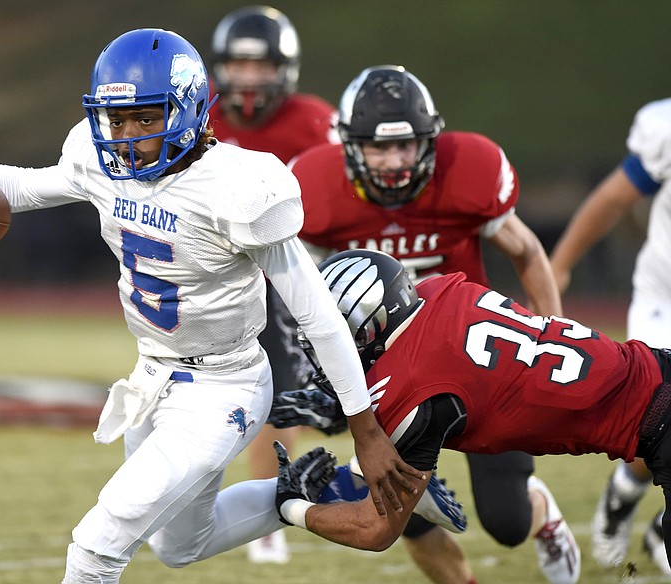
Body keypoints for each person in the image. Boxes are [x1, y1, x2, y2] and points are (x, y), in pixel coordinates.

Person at [0, 29, 419, 583]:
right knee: (179, 545)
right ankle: (306, 492)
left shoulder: (236, 186)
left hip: (226, 385)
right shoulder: (100, 161)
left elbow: (316, 313)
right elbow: (28, 187)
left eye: (147, 118)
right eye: (116, 119)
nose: (127, 136)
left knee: (98, 544)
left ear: (190, 106)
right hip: (152, 375)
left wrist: (365, 427)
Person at [289, 65, 570, 584]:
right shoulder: (317, 188)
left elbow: (528, 252)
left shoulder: (469, 171)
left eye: (408, 146)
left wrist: (552, 333)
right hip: (390, 373)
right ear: (349, 146)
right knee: (401, 515)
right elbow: (298, 292)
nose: (395, 162)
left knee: (507, 522)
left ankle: (542, 516)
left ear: (431, 141)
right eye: (379, 148)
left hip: (475, 358)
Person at [269, 248, 671, 583]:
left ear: (373, 322)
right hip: (654, 372)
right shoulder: (436, 291)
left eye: (336, 336)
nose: (326, 351)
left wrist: (291, 507)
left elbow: (375, 530)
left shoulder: (416, 390)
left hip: (660, 418)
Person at [207, 5, 339, 563]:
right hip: (216, 278)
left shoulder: (315, 122)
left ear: (283, 69)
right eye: (238, 64)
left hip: (293, 275)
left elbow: (345, 196)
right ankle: (267, 515)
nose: (249, 77)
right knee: (245, 396)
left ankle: (279, 508)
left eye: (260, 65)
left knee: (294, 399)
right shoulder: (201, 113)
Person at [550, 97, 671, 574]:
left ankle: (660, 527)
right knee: (657, 426)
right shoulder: (666, 129)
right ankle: (623, 497)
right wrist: (558, 265)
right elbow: (614, 198)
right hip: (666, 300)